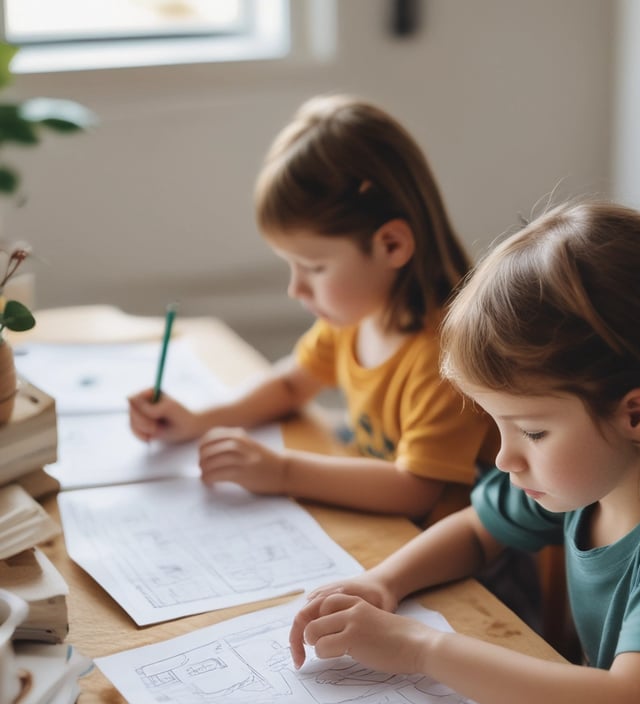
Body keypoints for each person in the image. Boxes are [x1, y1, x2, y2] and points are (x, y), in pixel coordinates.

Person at [289, 200, 640, 704]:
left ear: (637, 415)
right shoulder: (593, 476)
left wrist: (420, 648)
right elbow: (477, 530)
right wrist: (385, 581)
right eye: (498, 424)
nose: (505, 457)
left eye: (533, 431)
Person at [128, 94, 498, 526]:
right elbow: (291, 385)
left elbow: (416, 490)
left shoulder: (445, 359)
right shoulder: (355, 317)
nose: (295, 288)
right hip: (382, 525)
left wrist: (282, 471)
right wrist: (200, 421)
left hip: (450, 547)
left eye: (314, 267)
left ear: (391, 245)